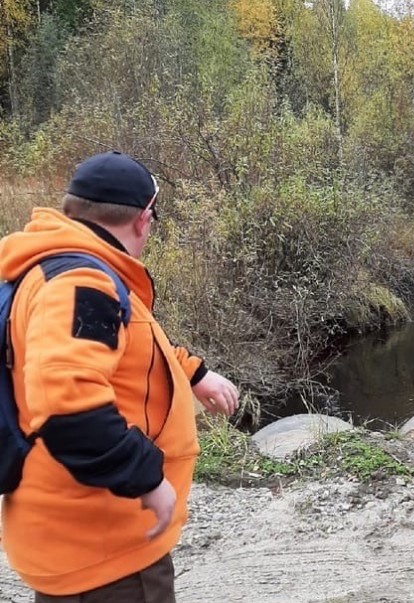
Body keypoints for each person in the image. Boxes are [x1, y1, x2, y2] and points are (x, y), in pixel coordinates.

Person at [0, 151, 240, 602]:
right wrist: (147, 480)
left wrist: (195, 374)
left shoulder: (63, 266)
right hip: (104, 550)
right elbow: (69, 408)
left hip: (80, 537)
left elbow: (128, 342)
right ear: (144, 218)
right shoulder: (82, 284)